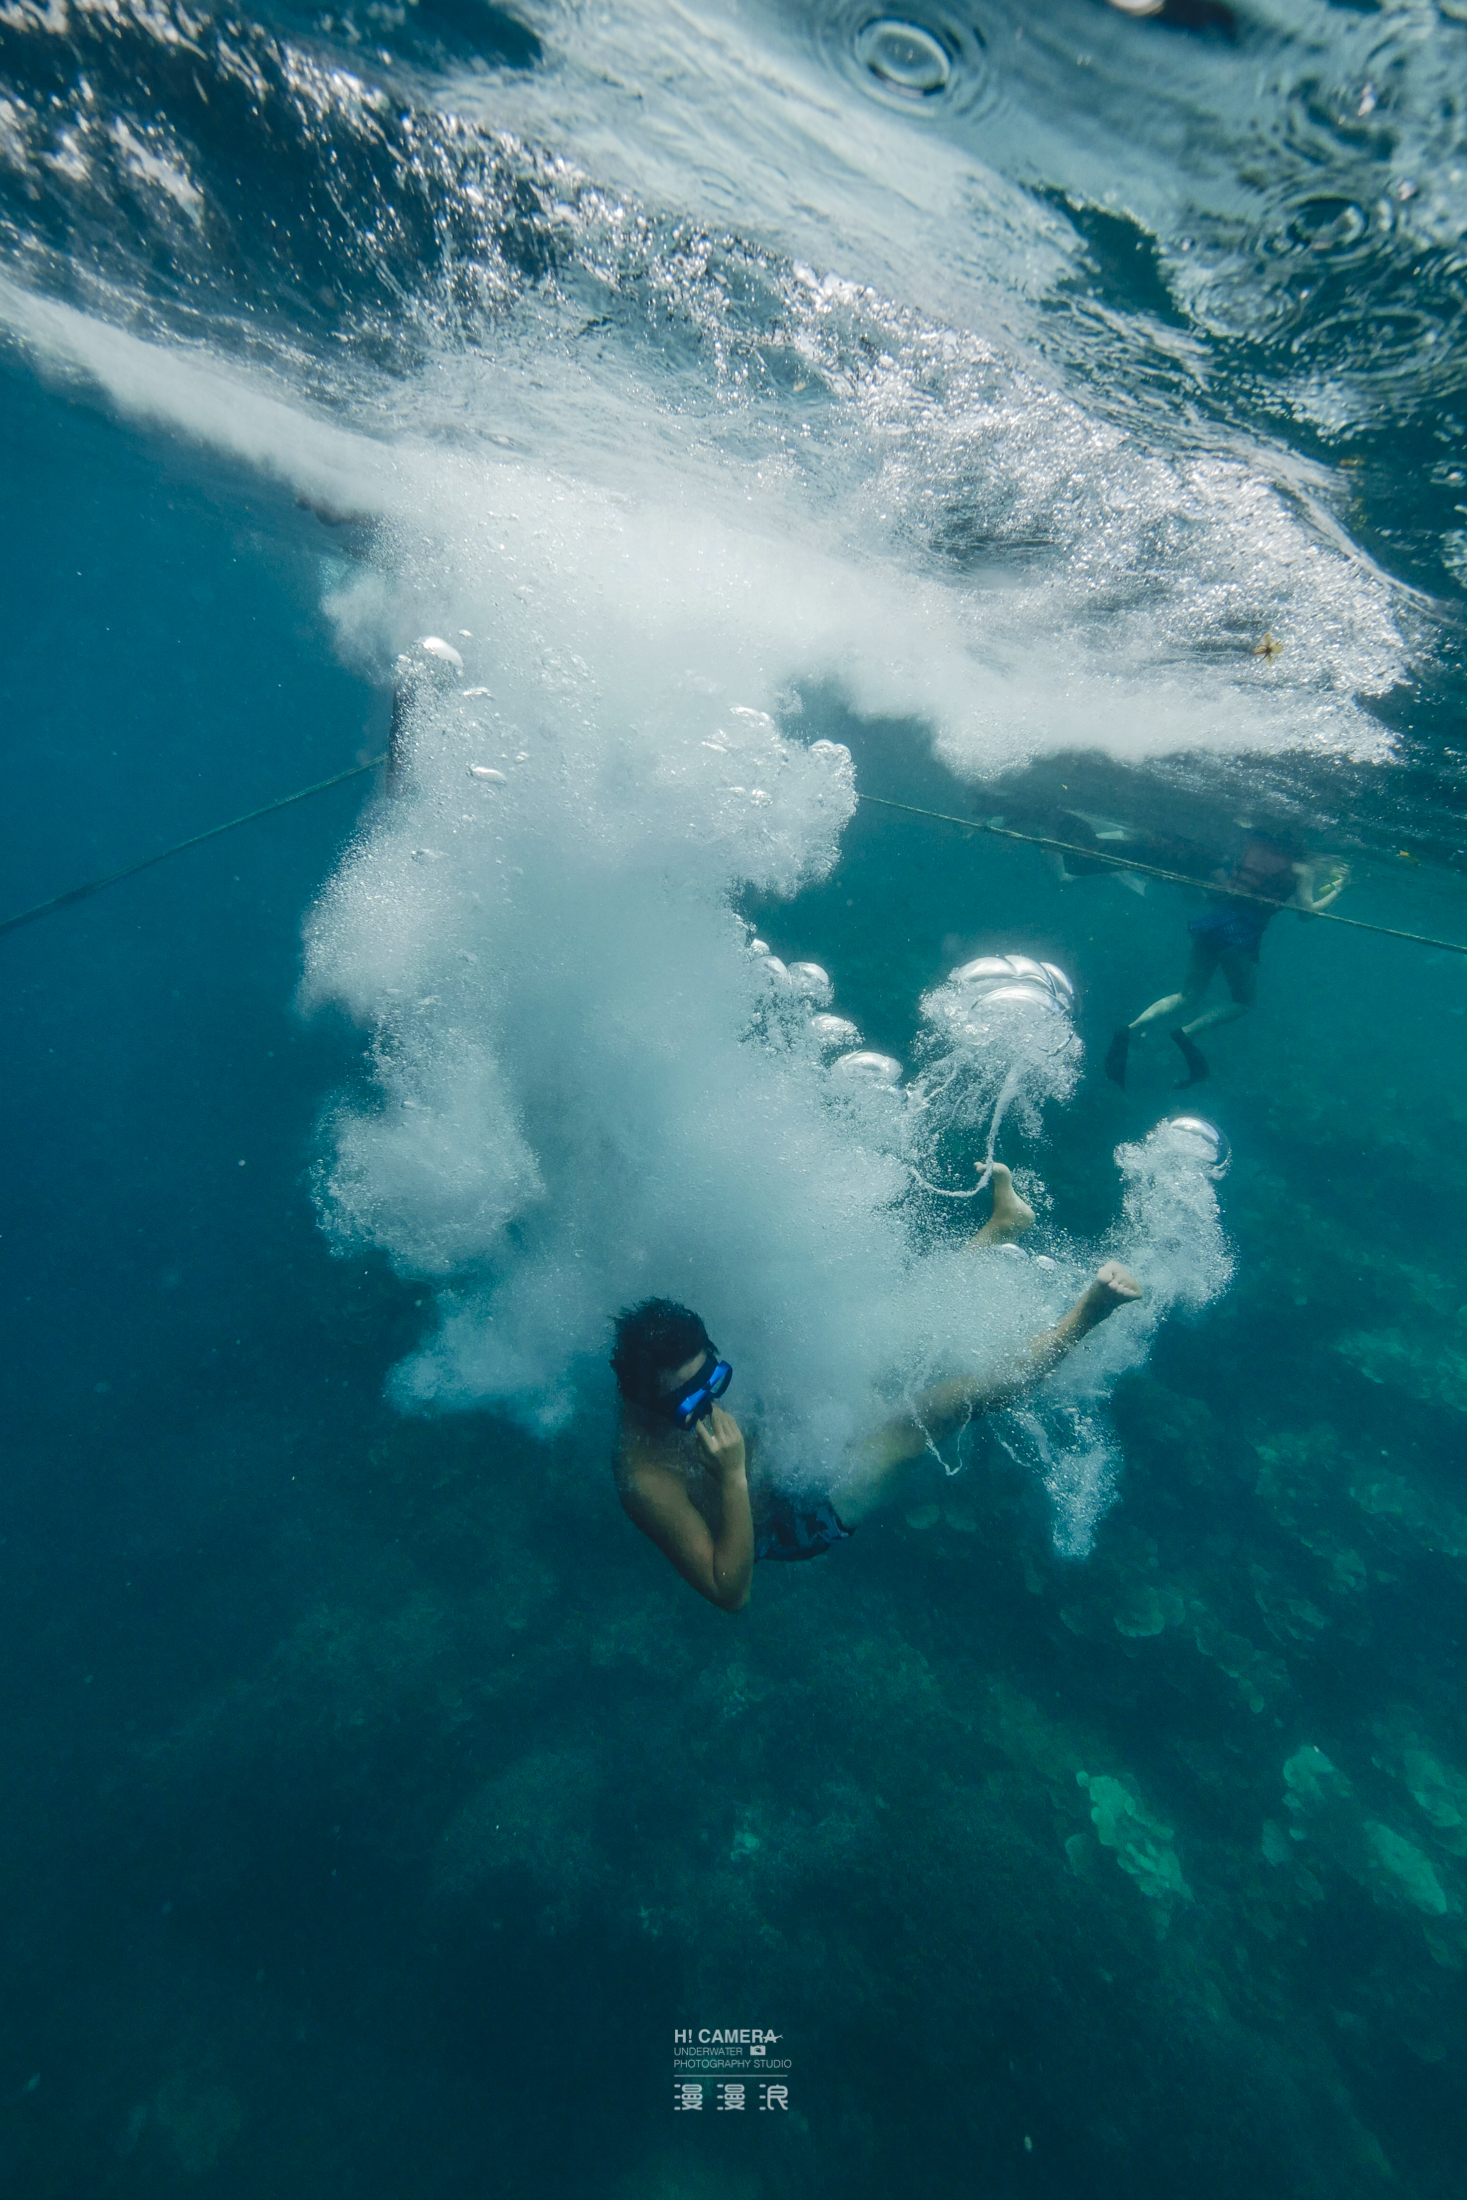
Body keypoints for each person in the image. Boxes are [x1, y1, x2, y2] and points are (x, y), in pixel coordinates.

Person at [611, 1167, 1142, 1611]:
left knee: (901, 1336)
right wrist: (730, 1475)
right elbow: (730, 1591)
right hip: (794, 1515)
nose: (711, 1407)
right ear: (647, 1406)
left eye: (716, 1382)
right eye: (688, 1403)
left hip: (798, 1428)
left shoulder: (691, 1353)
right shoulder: (646, 1477)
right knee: (938, 1409)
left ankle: (1003, 1226)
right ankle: (1086, 1317)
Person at [1104, 828, 1348, 1089]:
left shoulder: (1254, 847)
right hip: (1240, 936)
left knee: (1187, 994)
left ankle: (1130, 1027)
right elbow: (1306, 914)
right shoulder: (1302, 868)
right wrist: (1338, 888)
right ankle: (1188, 1033)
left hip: (1211, 924)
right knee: (1244, 1001)